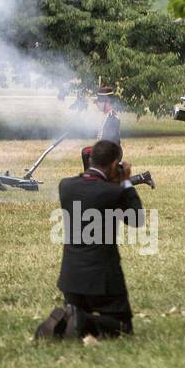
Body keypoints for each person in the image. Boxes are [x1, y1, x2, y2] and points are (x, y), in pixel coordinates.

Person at [36, 139, 144, 341]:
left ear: (91, 160)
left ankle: (70, 314)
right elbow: (137, 219)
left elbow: (91, 191)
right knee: (123, 328)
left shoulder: (66, 186)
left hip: (70, 280)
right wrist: (126, 182)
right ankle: (80, 318)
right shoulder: (114, 192)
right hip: (103, 280)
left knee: (82, 317)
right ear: (114, 165)